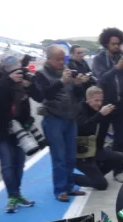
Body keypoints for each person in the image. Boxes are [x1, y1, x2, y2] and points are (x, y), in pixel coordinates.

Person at [0, 54, 43, 212]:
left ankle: (16, 194)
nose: (17, 72)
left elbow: (39, 97)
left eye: (18, 69)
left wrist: (30, 85)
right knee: (7, 164)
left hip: (20, 129)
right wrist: (9, 80)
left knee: (19, 162)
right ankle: (12, 196)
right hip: (0, 130)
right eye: (12, 70)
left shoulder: (22, 82)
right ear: (4, 70)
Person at [34, 45, 89, 202]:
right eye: (57, 59)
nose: (60, 62)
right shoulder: (40, 74)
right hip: (53, 119)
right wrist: (61, 81)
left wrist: (78, 84)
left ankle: (69, 186)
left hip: (70, 118)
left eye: (62, 59)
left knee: (71, 156)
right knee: (59, 157)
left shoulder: (68, 71)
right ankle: (60, 189)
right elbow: (44, 95)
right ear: (49, 59)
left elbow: (78, 96)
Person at [91, 27, 123, 163]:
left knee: (121, 138)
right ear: (106, 43)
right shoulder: (99, 59)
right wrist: (116, 68)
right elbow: (101, 79)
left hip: (122, 103)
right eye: (113, 44)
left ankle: (119, 167)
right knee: (101, 136)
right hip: (105, 102)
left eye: (118, 44)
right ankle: (98, 163)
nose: (116, 46)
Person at [74, 86, 123, 190]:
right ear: (88, 99)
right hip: (81, 152)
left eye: (101, 100)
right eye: (96, 100)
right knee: (102, 185)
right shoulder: (79, 109)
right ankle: (68, 178)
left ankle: (96, 175)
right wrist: (100, 115)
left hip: (95, 150)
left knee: (119, 157)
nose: (99, 103)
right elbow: (83, 128)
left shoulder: (101, 110)